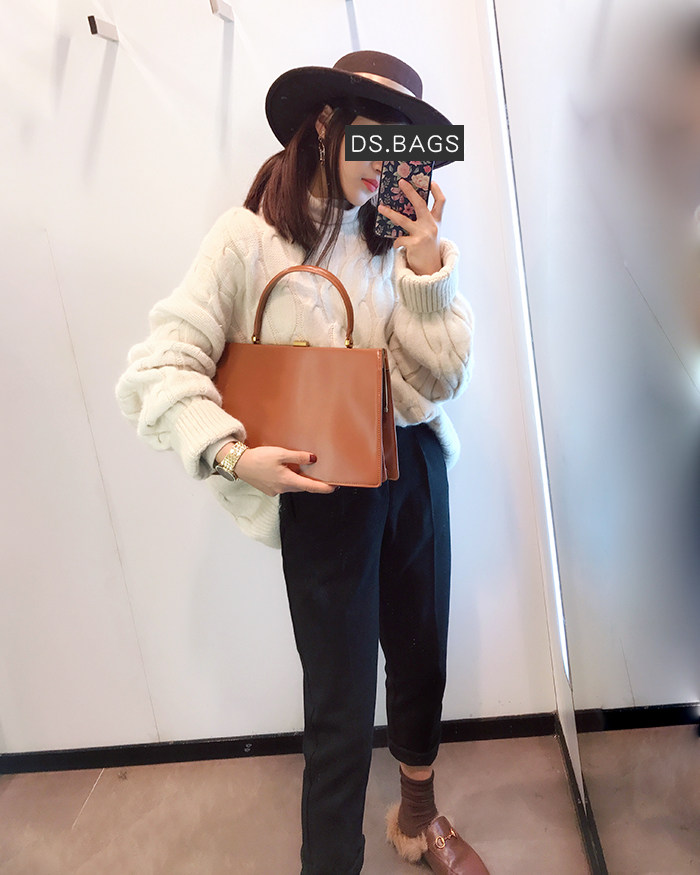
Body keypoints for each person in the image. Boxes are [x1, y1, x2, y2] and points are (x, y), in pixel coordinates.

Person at [116, 50, 487, 875]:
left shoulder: (402, 242)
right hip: (324, 486)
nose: (388, 163)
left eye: (405, 147)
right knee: (340, 699)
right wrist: (231, 452)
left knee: (421, 653)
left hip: (415, 463)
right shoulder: (247, 240)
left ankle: (419, 815)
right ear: (325, 122)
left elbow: (444, 380)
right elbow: (161, 362)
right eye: (375, 137)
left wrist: (426, 268)